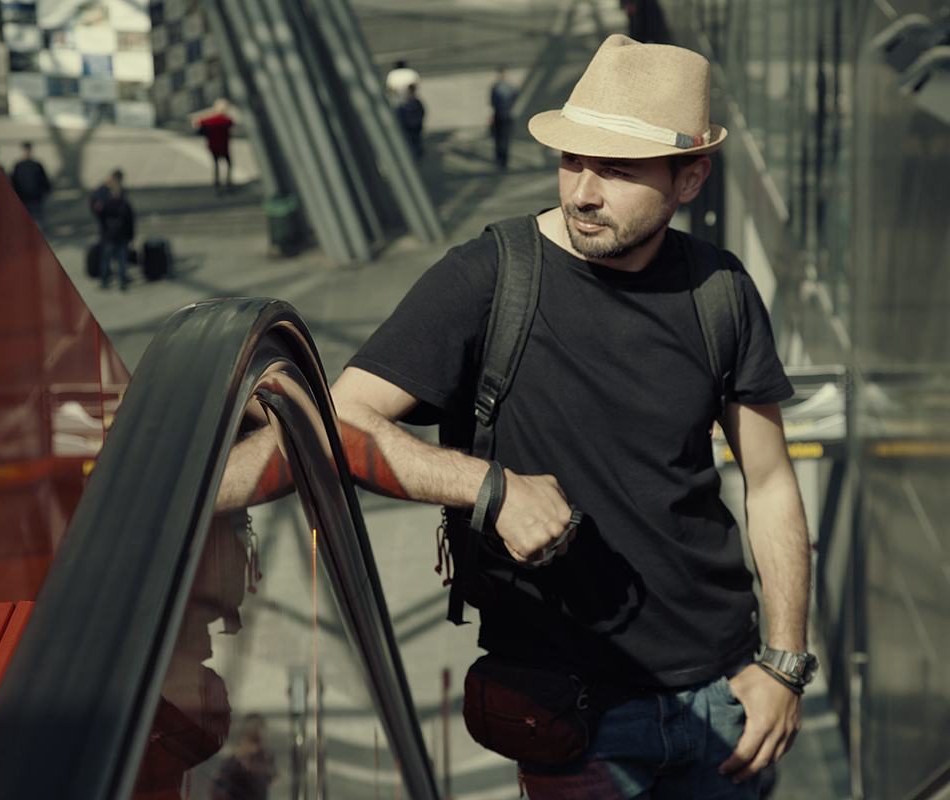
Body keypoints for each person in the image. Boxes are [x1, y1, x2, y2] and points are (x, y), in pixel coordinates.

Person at [326, 34, 812, 799]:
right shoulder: (489, 277)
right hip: (574, 711)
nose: (583, 191)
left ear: (690, 178)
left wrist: (784, 663)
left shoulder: (720, 288)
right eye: (571, 160)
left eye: (616, 169)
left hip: (725, 695)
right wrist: (488, 488)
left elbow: (772, 481)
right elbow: (339, 419)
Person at [210, 714, 276, 800]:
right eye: (261, 727)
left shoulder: (237, 755)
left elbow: (219, 777)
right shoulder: (264, 755)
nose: (263, 730)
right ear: (255, 729)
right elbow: (273, 779)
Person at [92, 170, 134, 291]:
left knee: (106, 258)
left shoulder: (105, 205)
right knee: (122, 260)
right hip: (122, 236)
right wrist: (130, 236)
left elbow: (100, 217)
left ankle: (104, 281)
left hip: (108, 236)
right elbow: (130, 221)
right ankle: (122, 282)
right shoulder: (124, 206)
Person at [194, 99, 235, 195]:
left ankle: (217, 185)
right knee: (229, 164)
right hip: (224, 146)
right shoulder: (226, 120)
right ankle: (228, 183)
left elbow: (197, 121)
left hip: (213, 146)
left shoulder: (210, 120)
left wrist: (211, 114)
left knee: (216, 166)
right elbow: (232, 123)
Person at [10, 141, 52, 230]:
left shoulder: (22, 166)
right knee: (32, 221)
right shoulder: (23, 166)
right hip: (27, 198)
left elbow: (44, 180)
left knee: (33, 221)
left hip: (32, 198)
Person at [489, 66, 518, 169]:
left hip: (500, 114)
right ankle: (503, 159)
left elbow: (492, 102)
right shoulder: (510, 87)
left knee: (499, 138)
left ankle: (500, 159)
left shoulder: (496, 87)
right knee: (504, 138)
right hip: (506, 114)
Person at [396, 84, 425, 159]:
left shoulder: (410, 103)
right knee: (413, 141)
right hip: (412, 126)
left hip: (413, 127)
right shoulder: (412, 103)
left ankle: (416, 155)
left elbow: (422, 112)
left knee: (414, 141)